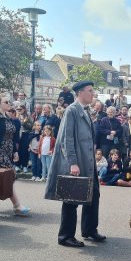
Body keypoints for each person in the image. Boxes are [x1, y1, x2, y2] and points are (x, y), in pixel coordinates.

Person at [45, 80, 106, 248]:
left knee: (93, 195)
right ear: (80, 93)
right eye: (89, 91)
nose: (92, 94)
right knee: (72, 198)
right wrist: (72, 162)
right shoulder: (72, 110)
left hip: (88, 161)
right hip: (78, 161)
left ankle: (89, 230)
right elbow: (66, 138)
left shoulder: (85, 110)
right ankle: (65, 236)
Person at [0, 94, 31, 216]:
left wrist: (15, 152)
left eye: (9, 102)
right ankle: (17, 206)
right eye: (6, 102)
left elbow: (13, 137)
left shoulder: (9, 118)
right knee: (8, 177)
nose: (9, 104)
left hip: (8, 151)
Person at [16, 104, 33, 173]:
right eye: (18, 109)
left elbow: (31, 127)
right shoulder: (15, 116)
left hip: (25, 134)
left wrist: (25, 122)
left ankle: (24, 165)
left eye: (20, 109)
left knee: (24, 151)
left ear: (24, 109)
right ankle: (17, 165)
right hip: (17, 135)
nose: (19, 111)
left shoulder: (28, 116)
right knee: (17, 150)